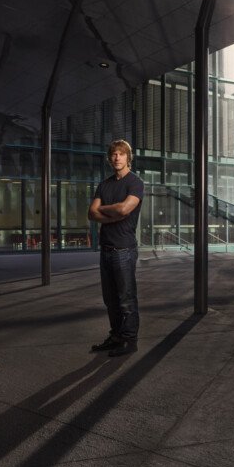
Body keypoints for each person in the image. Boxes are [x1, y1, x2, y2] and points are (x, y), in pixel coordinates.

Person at [87, 139, 144, 357]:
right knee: (110, 299)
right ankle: (116, 335)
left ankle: (130, 339)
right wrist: (115, 213)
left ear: (128, 157)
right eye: (113, 154)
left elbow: (124, 209)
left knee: (126, 297)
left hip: (124, 250)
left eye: (121, 154)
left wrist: (106, 211)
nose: (117, 157)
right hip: (107, 249)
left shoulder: (135, 183)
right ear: (110, 158)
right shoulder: (104, 184)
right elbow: (91, 213)